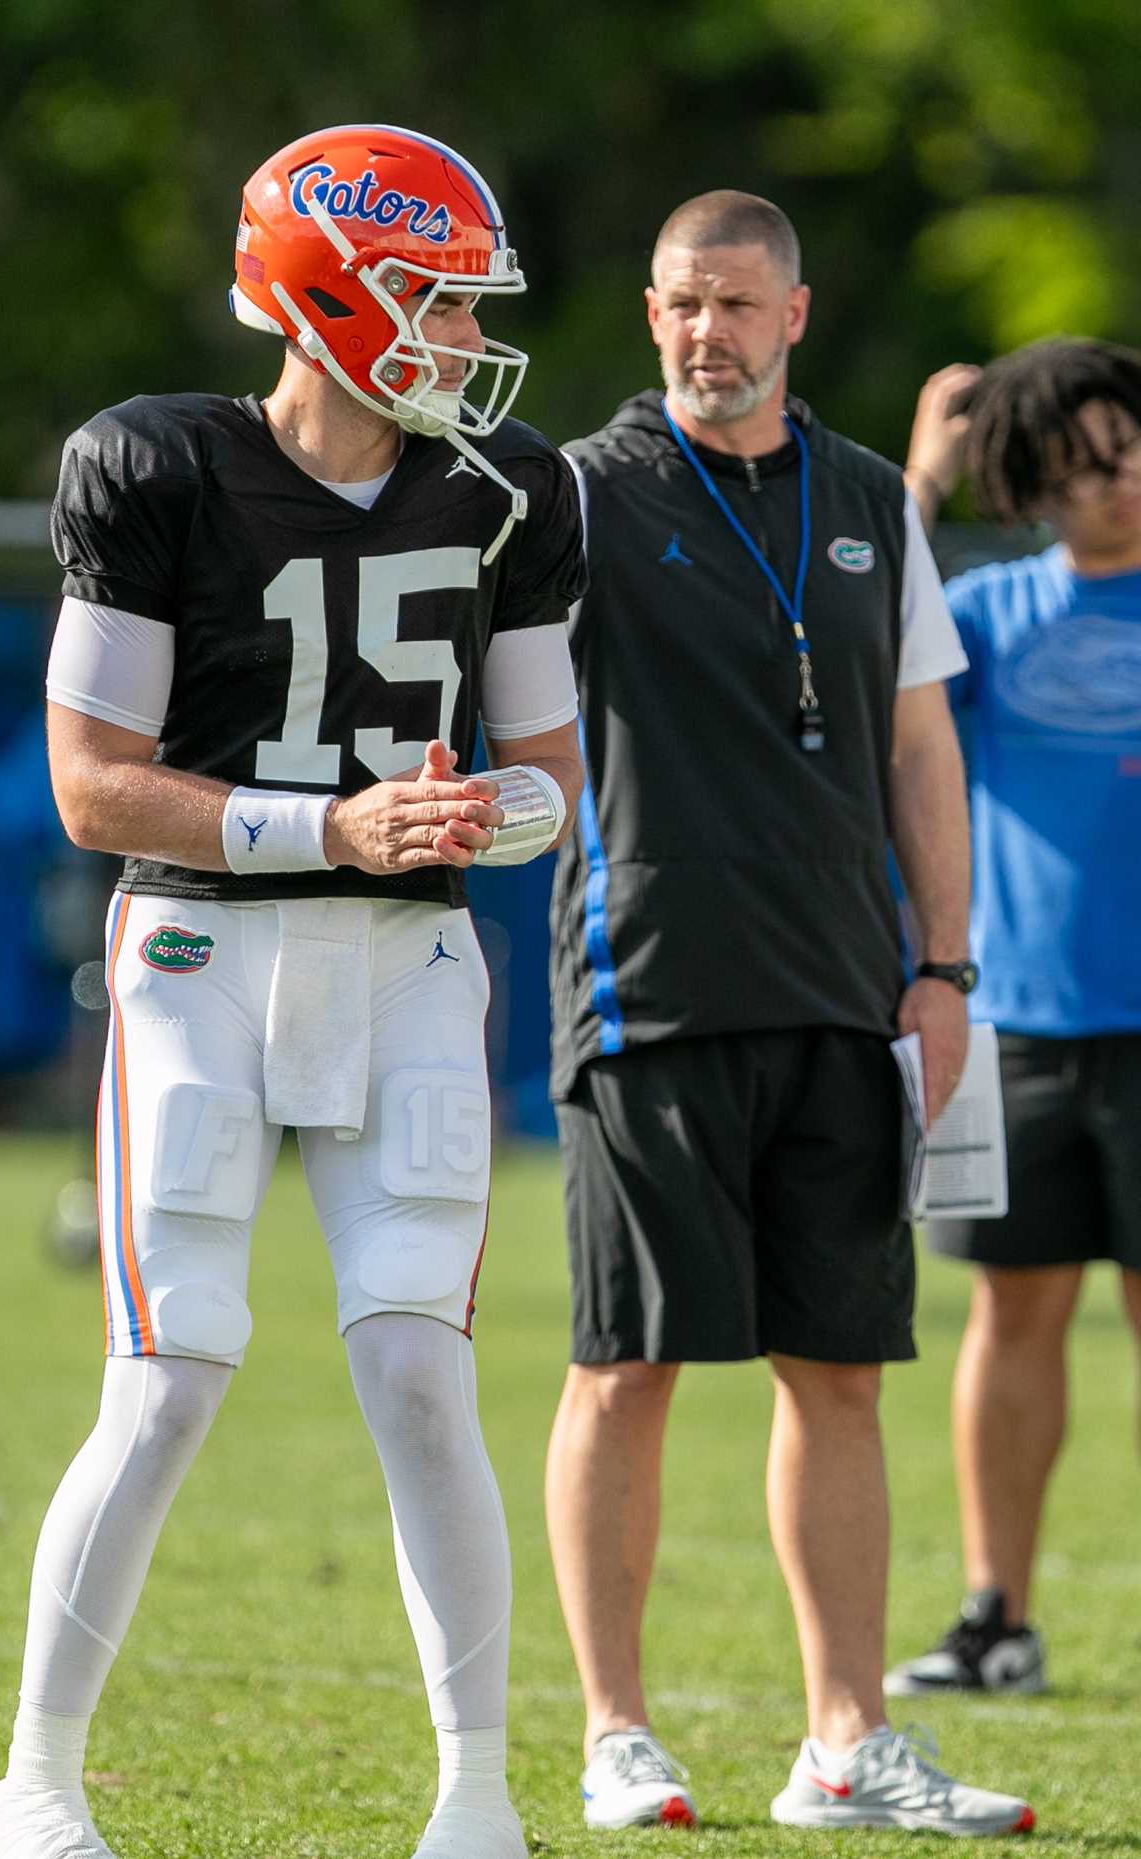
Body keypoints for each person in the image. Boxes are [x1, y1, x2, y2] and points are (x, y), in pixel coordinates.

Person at [0, 123, 585, 1859]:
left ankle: (478, 1797)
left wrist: (495, 810)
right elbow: (95, 785)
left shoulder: (514, 487)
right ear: (329, 295)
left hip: (409, 967)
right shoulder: (156, 464)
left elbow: (551, 771)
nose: (465, 337)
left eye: (471, 305)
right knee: (168, 1378)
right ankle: (37, 1784)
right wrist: (336, 821)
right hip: (199, 959)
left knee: (420, 1376)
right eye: (438, 299)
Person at [543, 188, 1034, 1838]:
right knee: (630, 1367)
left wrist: (944, 968)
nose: (709, 333)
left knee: (840, 1374)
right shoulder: (578, 496)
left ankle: (845, 1744)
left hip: (843, 998)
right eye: (684, 302)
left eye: (740, 305)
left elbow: (919, 749)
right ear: (651, 310)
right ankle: (618, 1733)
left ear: (797, 318)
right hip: (649, 990)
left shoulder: (874, 497)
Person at [886, 339, 1141, 1697]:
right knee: (1013, 1313)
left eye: (1136, 450)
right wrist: (921, 481)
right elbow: (863, 634)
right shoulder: (984, 614)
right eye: (1091, 460)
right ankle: (999, 1617)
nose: (1121, 481)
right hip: (1021, 1028)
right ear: (1037, 477)